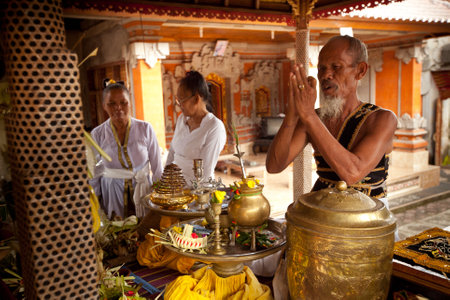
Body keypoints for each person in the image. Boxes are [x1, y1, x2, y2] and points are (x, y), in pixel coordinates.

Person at [266, 35, 397, 200]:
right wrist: (292, 114)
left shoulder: (381, 119)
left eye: (336, 67)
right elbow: (274, 166)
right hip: (323, 209)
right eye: (321, 68)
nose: (326, 75)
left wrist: (308, 114)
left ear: (360, 71)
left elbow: (352, 173)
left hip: (368, 217)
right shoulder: (314, 118)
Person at [89, 79, 163, 219]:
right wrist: (96, 201)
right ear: (104, 105)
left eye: (123, 103)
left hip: (142, 189)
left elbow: (157, 167)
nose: (118, 108)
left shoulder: (145, 128)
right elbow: (94, 172)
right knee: (117, 231)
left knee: (144, 230)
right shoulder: (97, 134)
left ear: (130, 103)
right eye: (112, 104)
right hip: (112, 192)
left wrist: (159, 195)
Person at [166, 71, 226, 184]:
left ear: (196, 99)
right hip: (175, 188)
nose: (179, 106)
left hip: (198, 191)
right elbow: (172, 152)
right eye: (177, 100)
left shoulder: (214, 127)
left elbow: (205, 172)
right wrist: (165, 180)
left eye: (182, 101)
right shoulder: (181, 120)